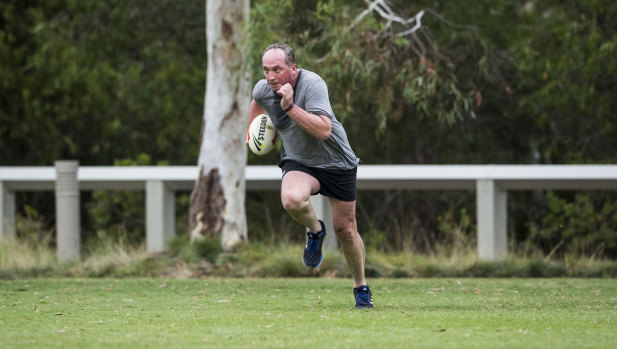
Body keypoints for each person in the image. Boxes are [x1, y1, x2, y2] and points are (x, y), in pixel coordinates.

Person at [246, 43, 373, 309]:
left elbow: (324, 130)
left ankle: (361, 286)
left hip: (337, 162)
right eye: (266, 70)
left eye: (277, 69)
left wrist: (290, 106)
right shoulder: (263, 89)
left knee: (346, 230)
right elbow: (257, 107)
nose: (270, 76)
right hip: (299, 161)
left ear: (292, 68)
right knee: (291, 200)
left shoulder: (312, 84)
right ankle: (315, 232)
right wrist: (257, 136)